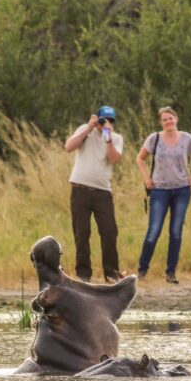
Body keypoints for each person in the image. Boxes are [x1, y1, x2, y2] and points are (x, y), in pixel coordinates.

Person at [136, 106, 191, 284]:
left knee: (175, 232)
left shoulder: (186, 138)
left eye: (170, 118)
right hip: (159, 190)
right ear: (161, 122)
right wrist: (146, 179)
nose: (168, 122)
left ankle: (171, 272)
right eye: (164, 119)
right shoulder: (154, 138)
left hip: (182, 189)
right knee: (154, 231)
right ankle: (142, 270)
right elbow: (140, 158)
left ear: (176, 119)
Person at [63, 105, 124, 283]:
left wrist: (108, 138)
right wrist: (89, 128)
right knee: (82, 233)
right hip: (80, 188)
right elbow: (68, 147)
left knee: (109, 232)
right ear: (95, 118)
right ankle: (84, 275)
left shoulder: (116, 138)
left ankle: (111, 274)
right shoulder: (85, 130)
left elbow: (114, 159)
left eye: (110, 121)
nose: (106, 123)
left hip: (103, 191)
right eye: (103, 120)